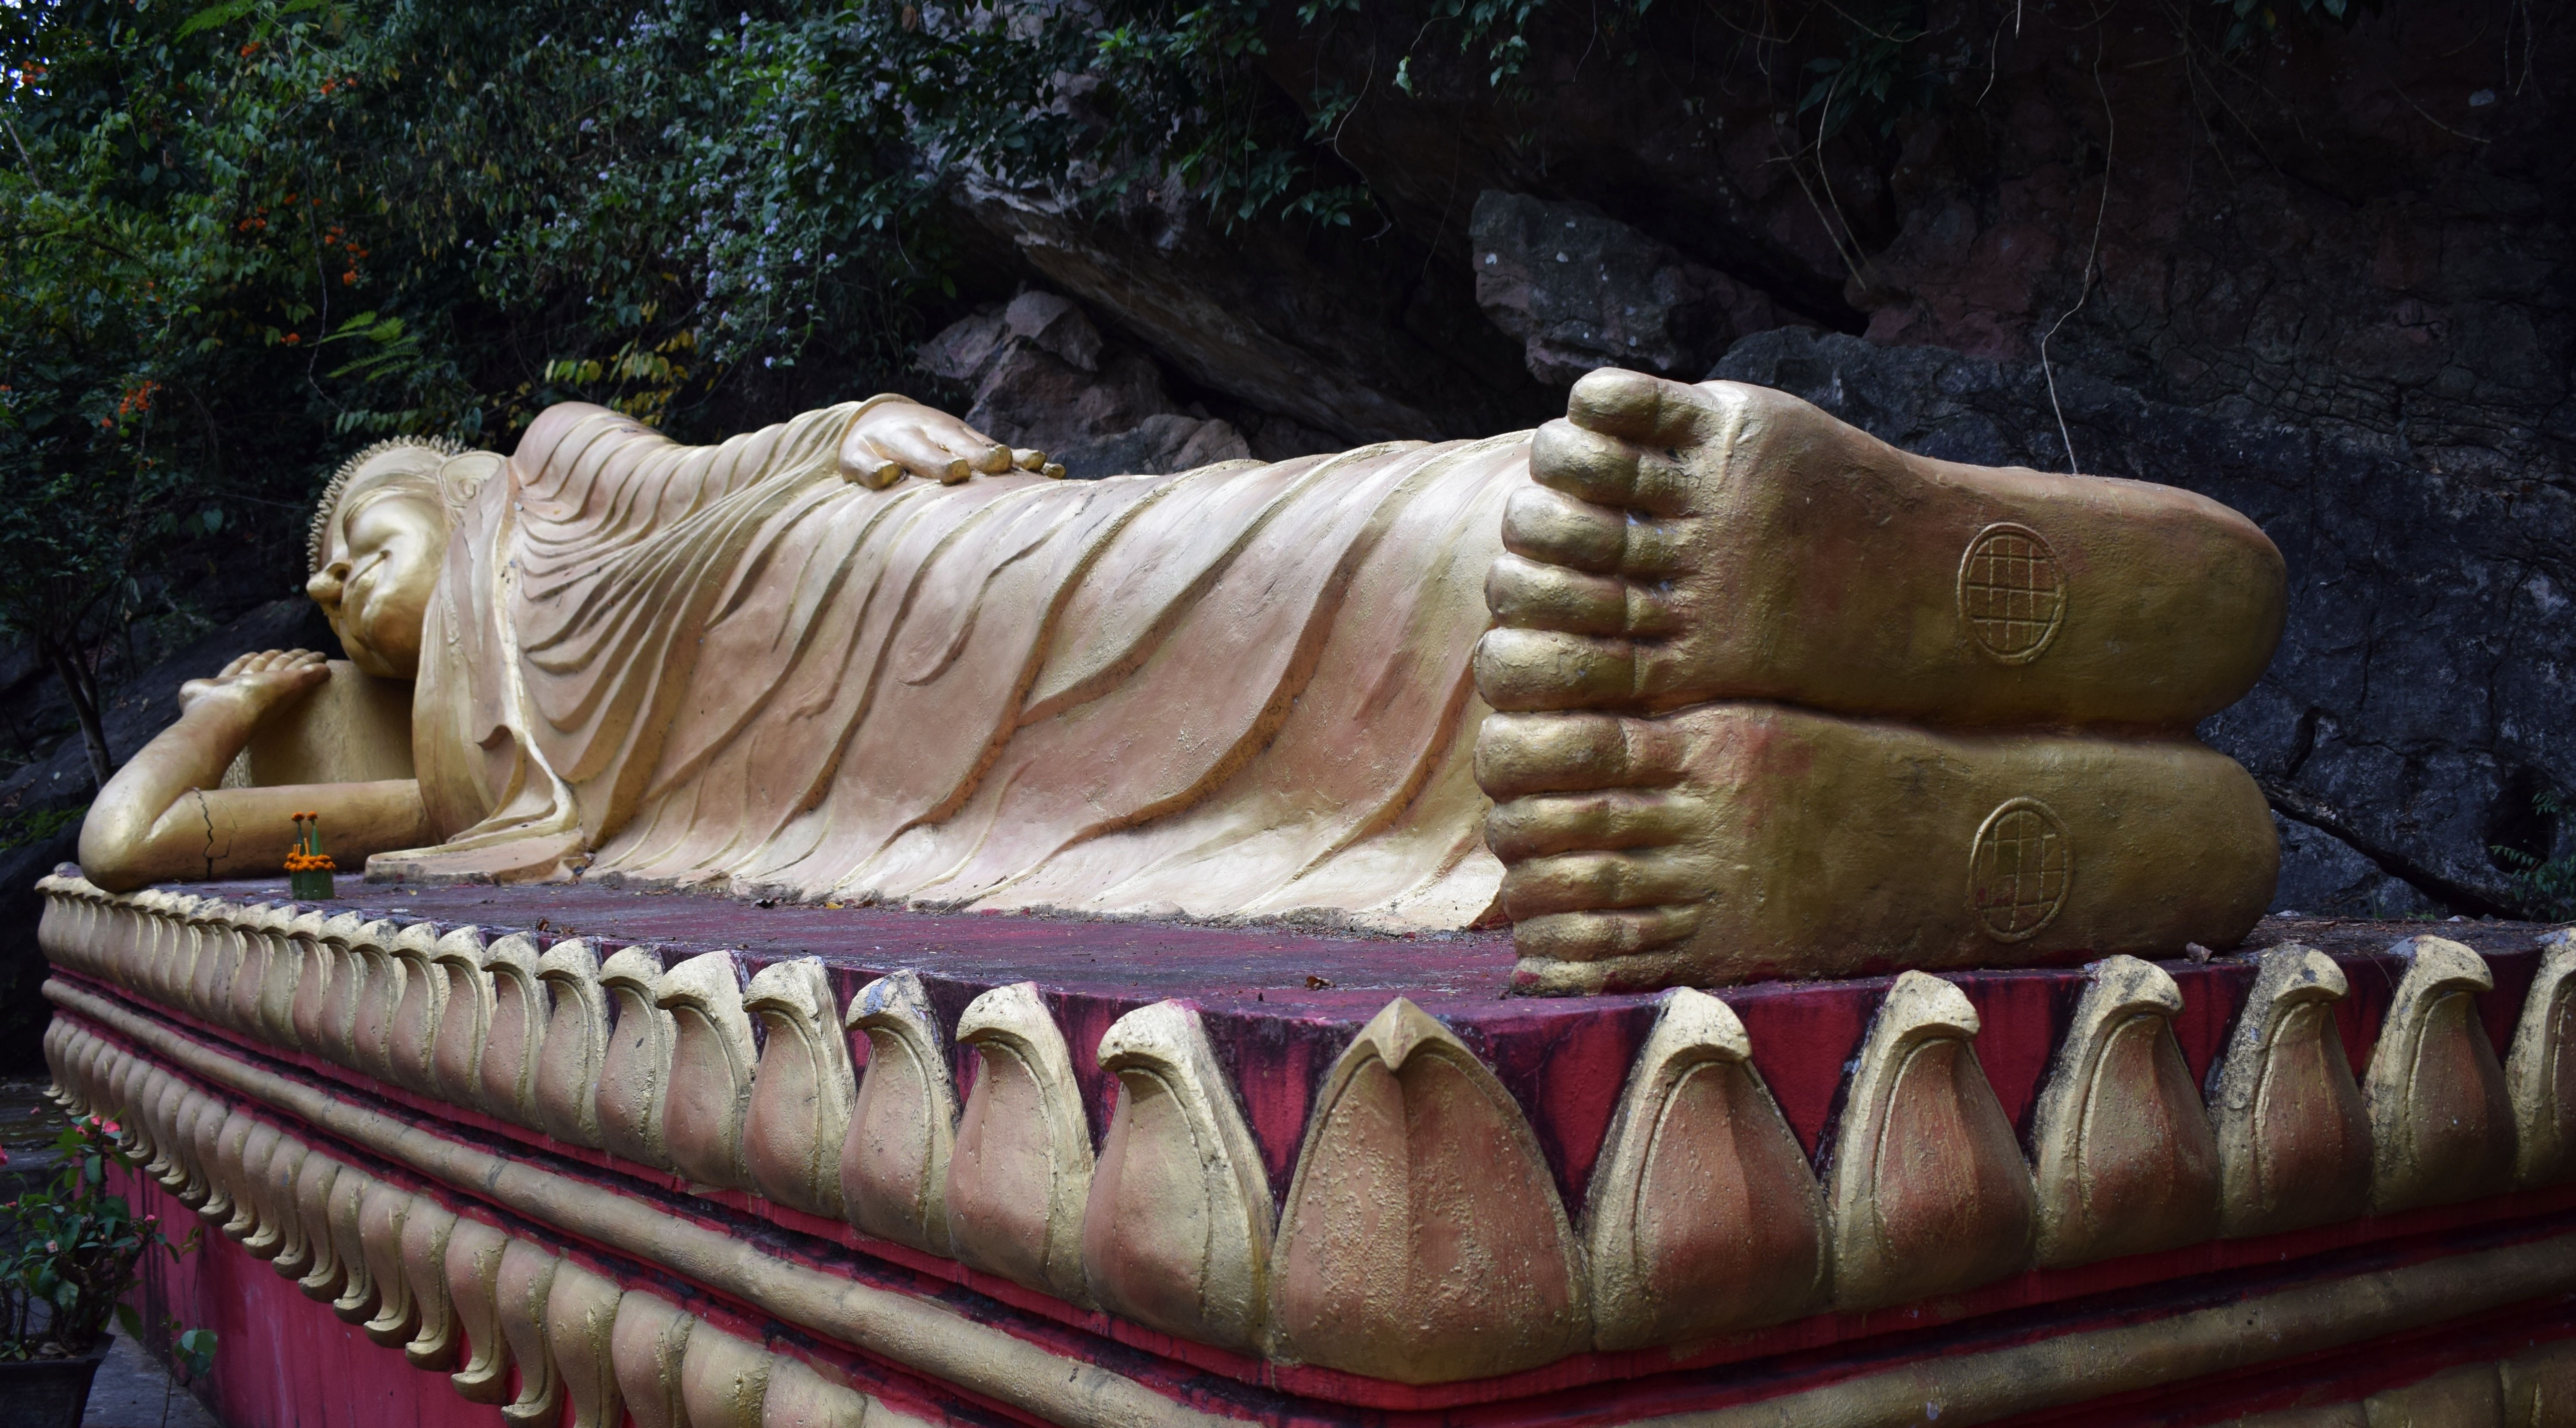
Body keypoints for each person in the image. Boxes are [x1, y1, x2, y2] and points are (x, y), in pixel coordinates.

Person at [79, 372, 2286, 991]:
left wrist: (846, 428)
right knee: (1208, 649)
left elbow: (698, 473)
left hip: (871, 590)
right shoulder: (458, 794)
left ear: (449, 491)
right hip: (858, 782)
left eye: (363, 532)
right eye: (320, 579)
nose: (345, 581)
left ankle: (1639, 543)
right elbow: (140, 855)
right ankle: (2033, 782)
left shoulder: (546, 486)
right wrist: (232, 707)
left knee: (1210, 554)